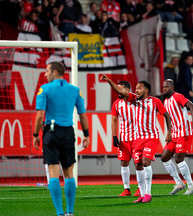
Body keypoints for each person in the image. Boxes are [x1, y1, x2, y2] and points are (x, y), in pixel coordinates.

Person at [100, 74, 172, 203]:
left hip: (151, 137)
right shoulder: (134, 100)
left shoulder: (155, 101)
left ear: (146, 90)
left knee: (145, 162)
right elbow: (119, 91)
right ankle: (142, 194)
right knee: (138, 165)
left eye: (139, 88)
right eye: (136, 88)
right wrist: (109, 81)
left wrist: (169, 133)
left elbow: (167, 116)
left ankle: (148, 194)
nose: (136, 90)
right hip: (137, 138)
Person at [33, 62, 90, 216]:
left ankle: (59, 213)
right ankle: (70, 212)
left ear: (55, 72)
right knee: (69, 172)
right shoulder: (75, 90)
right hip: (68, 133)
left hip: (51, 131)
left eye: (47, 71)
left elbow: (39, 115)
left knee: (53, 171)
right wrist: (86, 134)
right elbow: (82, 115)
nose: (45, 74)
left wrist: (35, 134)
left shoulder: (44, 89)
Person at [161, 79, 193, 195]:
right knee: (164, 157)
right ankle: (179, 183)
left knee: (178, 159)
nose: (164, 89)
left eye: (167, 87)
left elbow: (192, 106)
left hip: (184, 132)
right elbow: (168, 119)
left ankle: (191, 186)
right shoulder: (165, 101)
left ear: (172, 88)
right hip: (174, 134)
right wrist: (169, 132)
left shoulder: (178, 96)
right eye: (163, 87)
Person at [111, 80, 140, 197]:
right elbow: (114, 120)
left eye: (120, 89)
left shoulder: (135, 99)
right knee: (124, 163)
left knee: (138, 164)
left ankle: (140, 188)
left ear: (127, 90)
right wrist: (114, 135)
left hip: (138, 137)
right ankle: (126, 189)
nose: (117, 91)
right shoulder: (117, 103)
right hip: (124, 138)